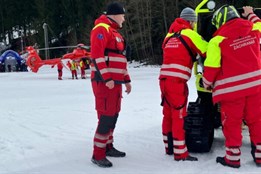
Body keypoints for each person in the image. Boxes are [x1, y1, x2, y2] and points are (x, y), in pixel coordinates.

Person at [202, 5, 261, 168]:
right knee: (257, 120)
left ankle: (233, 158)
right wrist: (251, 14)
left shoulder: (217, 40)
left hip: (232, 91)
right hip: (256, 87)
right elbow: (259, 24)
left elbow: (212, 67)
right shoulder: (253, 28)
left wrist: (206, 83)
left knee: (232, 123)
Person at [159, 7, 208, 161]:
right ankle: (180, 153)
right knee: (179, 115)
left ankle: (169, 148)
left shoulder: (168, 36)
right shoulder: (190, 34)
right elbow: (207, 50)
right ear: (191, 21)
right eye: (194, 21)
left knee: (167, 115)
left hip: (164, 79)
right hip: (177, 81)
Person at [90, 2, 131, 168]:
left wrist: (126, 79)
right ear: (114, 14)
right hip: (105, 83)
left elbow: (121, 59)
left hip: (116, 83)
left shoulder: (115, 33)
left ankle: (108, 146)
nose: (124, 19)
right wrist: (107, 78)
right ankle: (98, 154)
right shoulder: (101, 29)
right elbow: (97, 56)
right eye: (122, 15)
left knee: (113, 114)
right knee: (106, 116)